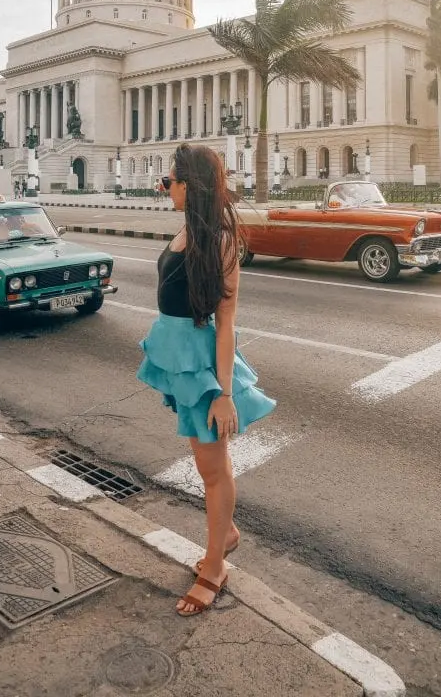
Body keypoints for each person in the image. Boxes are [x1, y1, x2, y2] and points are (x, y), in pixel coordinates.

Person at [136, 144, 276, 617]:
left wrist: (221, 394)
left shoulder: (217, 240)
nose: (164, 188)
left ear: (188, 185)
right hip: (181, 359)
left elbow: (227, 321)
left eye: (167, 181)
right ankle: (228, 533)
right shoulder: (186, 229)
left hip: (201, 367)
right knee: (205, 464)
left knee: (214, 470)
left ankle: (215, 566)